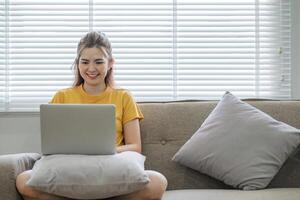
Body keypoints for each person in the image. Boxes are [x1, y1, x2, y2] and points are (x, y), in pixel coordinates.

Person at [16, 31, 168, 200]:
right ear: (77, 64)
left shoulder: (124, 96)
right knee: (24, 180)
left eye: (98, 62)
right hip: (72, 168)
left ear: (110, 63)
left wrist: (105, 150)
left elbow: (135, 146)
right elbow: (51, 147)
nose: (91, 68)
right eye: (85, 62)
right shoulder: (62, 96)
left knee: (158, 182)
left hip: (110, 166)